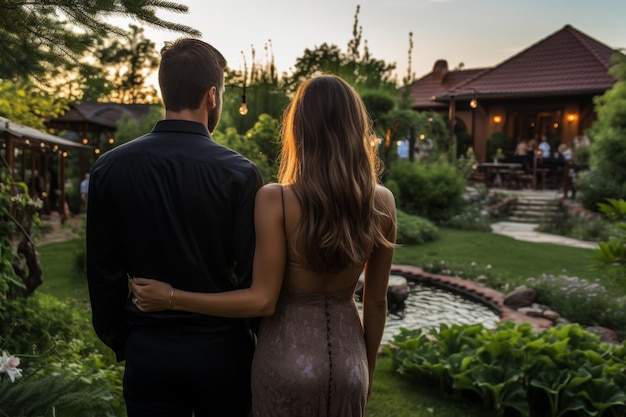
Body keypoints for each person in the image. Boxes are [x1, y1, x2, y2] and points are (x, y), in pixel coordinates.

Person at [130, 74, 397, 417]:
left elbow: (261, 300)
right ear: (356, 128)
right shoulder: (382, 202)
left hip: (285, 361)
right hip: (350, 366)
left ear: (299, 129)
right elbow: (376, 303)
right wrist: (367, 370)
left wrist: (171, 297)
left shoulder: (277, 200)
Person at [86, 38, 263, 417]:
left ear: (163, 91)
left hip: (149, 352)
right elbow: (253, 280)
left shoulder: (110, 167)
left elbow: (103, 274)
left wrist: (125, 340)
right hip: (223, 354)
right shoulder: (240, 173)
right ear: (212, 96)